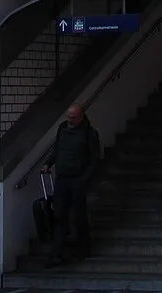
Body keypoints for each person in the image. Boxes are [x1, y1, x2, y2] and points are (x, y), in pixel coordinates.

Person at [43, 103, 102, 262]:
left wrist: (84, 179)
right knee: (59, 215)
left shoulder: (89, 133)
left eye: (73, 117)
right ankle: (57, 253)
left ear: (81, 116)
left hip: (77, 178)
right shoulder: (63, 128)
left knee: (79, 215)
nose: (70, 120)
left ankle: (83, 249)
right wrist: (48, 163)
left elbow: (94, 159)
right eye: (69, 116)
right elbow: (58, 148)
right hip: (62, 177)